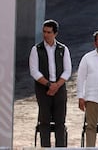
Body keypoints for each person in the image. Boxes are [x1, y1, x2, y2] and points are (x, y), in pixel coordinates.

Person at [29, 19, 72, 147]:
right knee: (44, 121)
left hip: (59, 89)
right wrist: (49, 85)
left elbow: (68, 70)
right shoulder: (36, 49)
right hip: (43, 89)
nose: (46, 35)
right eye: (44, 32)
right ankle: (45, 148)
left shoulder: (63, 49)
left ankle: (60, 148)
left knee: (60, 122)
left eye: (49, 32)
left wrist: (56, 85)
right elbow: (34, 71)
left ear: (55, 33)